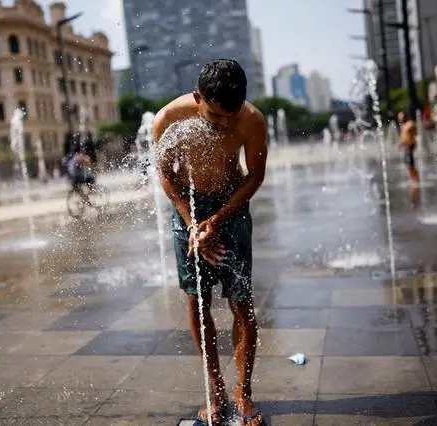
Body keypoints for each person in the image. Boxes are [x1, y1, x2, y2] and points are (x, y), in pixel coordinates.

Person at [152, 59, 267, 426]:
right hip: (188, 206)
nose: (224, 127)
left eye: (230, 118)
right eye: (215, 118)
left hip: (231, 206)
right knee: (197, 299)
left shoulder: (252, 120)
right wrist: (192, 225)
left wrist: (217, 221)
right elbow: (166, 177)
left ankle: (243, 392)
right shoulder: (167, 119)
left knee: (240, 298)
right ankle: (215, 389)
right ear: (198, 98)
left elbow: (255, 176)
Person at [398, 111, 419, 184]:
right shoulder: (403, 125)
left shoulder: (410, 124)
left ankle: (416, 178)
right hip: (406, 146)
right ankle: (412, 178)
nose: (399, 119)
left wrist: (413, 141)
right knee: (407, 162)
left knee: (410, 162)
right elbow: (403, 136)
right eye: (399, 117)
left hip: (410, 145)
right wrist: (400, 144)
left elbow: (415, 134)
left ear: (405, 117)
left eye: (401, 117)